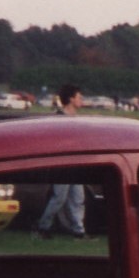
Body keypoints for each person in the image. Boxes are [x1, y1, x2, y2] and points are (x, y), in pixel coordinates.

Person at [34, 83, 86, 239]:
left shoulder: (78, 120)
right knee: (59, 198)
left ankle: (79, 231)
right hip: (62, 165)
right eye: (79, 97)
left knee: (78, 198)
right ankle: (43, 226)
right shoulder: (58, 118)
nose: (81, 100)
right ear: (71, 99)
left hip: (75, 165)